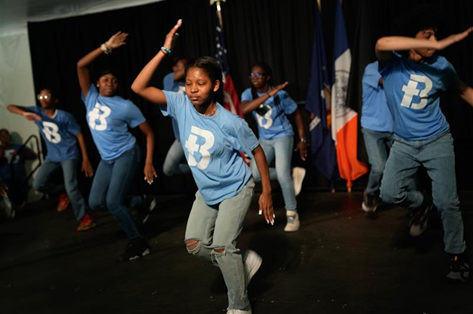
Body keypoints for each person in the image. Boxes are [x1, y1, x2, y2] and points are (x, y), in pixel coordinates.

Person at [132, 20, 274, 314]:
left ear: (215, 85)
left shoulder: (231, 122)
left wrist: (267, 191)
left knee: (222, 246)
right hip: (207, 190)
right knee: (195, 244)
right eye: (189, 83)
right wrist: (164, 49)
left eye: (201, 83)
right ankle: (241, 261)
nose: (193, 90)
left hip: (235, 188)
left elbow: (258, 152)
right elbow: (138, 86)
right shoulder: (180, 104)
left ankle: (239, 305)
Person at [375, 6, 472, 283]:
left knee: (447, 202)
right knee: (389, 194)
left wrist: (434, 44)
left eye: (435, 36)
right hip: (404, 143)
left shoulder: (442, 67)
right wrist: (433, 41)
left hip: (437, 140)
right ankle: (420, 205)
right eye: (425, 35)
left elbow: (464, 91)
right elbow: (382, 43)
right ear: (412, 37)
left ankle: (457, 255)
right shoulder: (391, 62)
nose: (432, 42)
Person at [77, 31, 157, 261]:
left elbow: (149, 133)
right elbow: (81, 65)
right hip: (107, 158)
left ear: (117, 84)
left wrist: (148, 161)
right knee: (96, 202)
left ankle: (139, 242)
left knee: (112, 202)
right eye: (105, 80)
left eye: (113, 80)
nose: (109, 83)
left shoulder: (125, 106)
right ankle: (137, 203)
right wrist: (106, 47)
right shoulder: (90, 97)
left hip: (126, 153)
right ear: (97, 84)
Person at [7, 91, 95, 231]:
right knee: (38, 184)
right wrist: (24, 114)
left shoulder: (64, 116)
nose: (43, 99)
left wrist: (85, 158)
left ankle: (85, 217)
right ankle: (62, 193)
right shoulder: (37, 112)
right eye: (40, 97)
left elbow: (79, 135)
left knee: (72, 187)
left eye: (47, 96)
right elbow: (10, 107)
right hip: (52, 156)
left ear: (55, 100)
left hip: (69, 154)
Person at [241, 62, 308, 232]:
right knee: (255, 174)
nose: (254, 78)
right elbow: (246, 109)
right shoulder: (249, 93)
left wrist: (302, 139)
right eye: (252, 75)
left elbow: (297, 114)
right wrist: (269, 94)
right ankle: (292, 174)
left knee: (283, 175)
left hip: (283, 135)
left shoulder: (281, 95)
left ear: (267, 77)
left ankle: (292, 214)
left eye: (259, 75)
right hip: (264, 139)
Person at [360, 61, 394, 212]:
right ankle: (371, 193)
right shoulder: (372, 68)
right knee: (379, 167)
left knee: (408, 165)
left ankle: (417, 204)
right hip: (372, 128)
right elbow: (387, 82)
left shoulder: (400, 66)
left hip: (395, 128)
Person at [162, 56, 191, 177]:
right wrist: (192, 67)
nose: (185, 69)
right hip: (181, 137)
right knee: (168, 169)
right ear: (174, 68)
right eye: (182, 67)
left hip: (198, 133)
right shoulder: (170, 80)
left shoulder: (193, 83)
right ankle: (198, 170)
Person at [0, 128, 36, 210]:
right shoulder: (0, 150)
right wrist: (2, 148)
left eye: (7, 135)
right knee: (8, 189)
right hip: (6, 179)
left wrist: (20, 153)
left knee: (21, 190)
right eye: (3, 136)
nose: (6, 138)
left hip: (19, 177)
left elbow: (33, 156)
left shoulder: (18, 147)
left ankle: (17, 205)